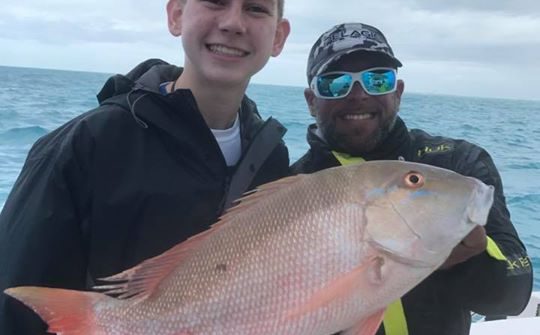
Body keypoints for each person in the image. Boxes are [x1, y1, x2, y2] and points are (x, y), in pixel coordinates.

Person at [0, 0, 290, 333]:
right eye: (216, 2)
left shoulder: (272, 160)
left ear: (278, 37)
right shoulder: (86, 145)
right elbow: (16, 306)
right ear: (176, 15)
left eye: (255, 9)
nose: (233, 23)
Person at [292, 22, 532, 335]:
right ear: (311, 101)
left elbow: (514, 294)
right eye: (335, 84)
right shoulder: (291, 187)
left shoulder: (456, 166)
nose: (359, 95)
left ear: (398, 92)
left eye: (378, 80)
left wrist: (463, 260)